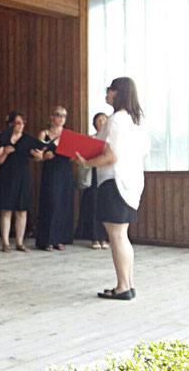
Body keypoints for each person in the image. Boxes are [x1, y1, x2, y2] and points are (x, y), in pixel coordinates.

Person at [75, 77, 150, 300]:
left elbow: (110, 156)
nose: (106, 94)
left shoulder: (117, 119)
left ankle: (122, 287)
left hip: (114, 182)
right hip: (131, 181)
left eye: (109, 90)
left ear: (118, 93)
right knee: (122, 235)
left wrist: (85, 163)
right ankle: (128, 283)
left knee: (117, 236)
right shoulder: (137, 120)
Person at [0, 111, 40, 253]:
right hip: (7, 176)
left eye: (22, 123)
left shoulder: (28, 139)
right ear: (10, 124)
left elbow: (38, 157)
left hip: (22, 176)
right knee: (6, 210)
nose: (20, 126)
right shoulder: (3, 138)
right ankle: (5, 243)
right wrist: (6, 152)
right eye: (17, 123)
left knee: (22, 211)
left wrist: (38, 156)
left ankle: (20, 242)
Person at [33, 106, 74, 251]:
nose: (61, 118)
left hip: (65, 172)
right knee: (51, 203)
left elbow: (73, 156)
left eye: (64, 115)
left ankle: (59, 239)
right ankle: (47, 239)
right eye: (58, 115)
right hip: (51, 171)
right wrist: (44, 157)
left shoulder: (68, 135)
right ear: (52, 117)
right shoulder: (44, 133)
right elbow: (36, 156)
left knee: (63, 204)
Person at [74, 112, 109, 249]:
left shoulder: (110, 139)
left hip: (106, 175)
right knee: (94, 206)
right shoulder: (91, 139)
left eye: (105, 120)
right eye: (99, 120)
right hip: (94, 174)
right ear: (94, 123)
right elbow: (82, 158)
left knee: (106, 207)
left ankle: (104, 238)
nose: (102, 122)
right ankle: (95, 238)